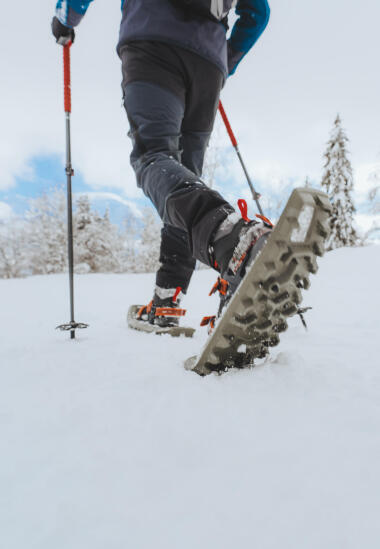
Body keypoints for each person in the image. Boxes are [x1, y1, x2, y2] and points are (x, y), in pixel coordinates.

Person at [52, 0, 272, 328]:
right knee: (183, 178)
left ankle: (230, 238)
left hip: (152, 45)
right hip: (208, 66)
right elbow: (258, 11)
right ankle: (167, 298)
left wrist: (65, 19)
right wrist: (226, 59)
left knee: (154, 158)